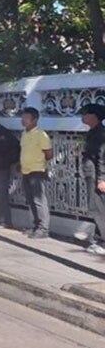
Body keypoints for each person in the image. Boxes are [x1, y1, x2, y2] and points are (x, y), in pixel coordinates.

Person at [20, 107, 53, 239]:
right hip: (25, 170)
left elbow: (49, 153)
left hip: (37, 171)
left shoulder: (41, 135)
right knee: (30, 200)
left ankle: (43, 228)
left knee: (39, 200)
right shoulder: (25, 133)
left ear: (34, 120)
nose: (23, 121)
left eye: (26, 118)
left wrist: (39, 162)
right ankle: (35, 225)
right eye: (22, 118)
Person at [77, 104, 105, 255]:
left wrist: (102, 179)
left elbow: (102, 158)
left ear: (95, 116)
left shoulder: (100, 134)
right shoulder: (93, 132)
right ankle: (99, 239)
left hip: (96, 175)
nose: (83, 116)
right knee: (96, 208)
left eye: (86, 114)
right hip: (92, 174)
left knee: (98, 208)